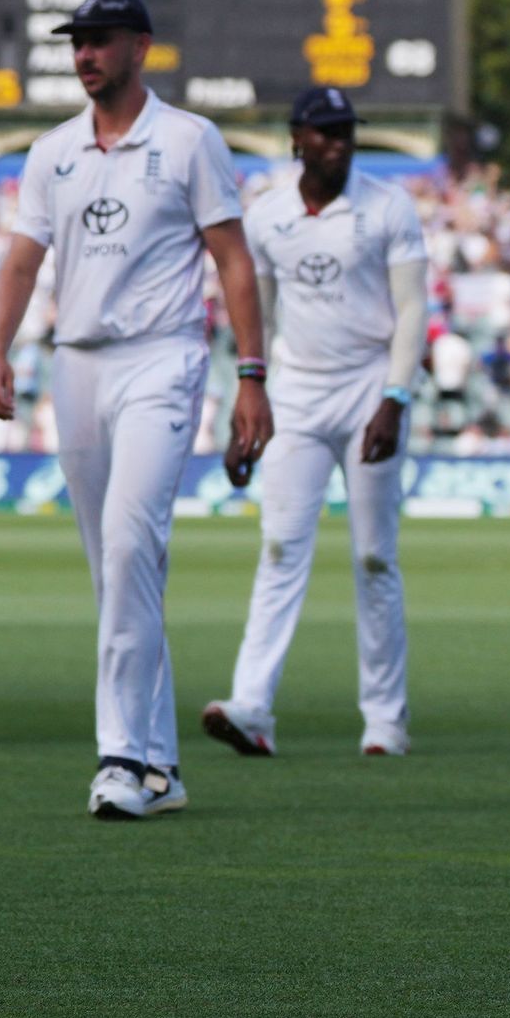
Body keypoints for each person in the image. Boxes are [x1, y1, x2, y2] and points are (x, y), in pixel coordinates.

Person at [0, 0, 272, 819]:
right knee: (120, 573)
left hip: (162, 359)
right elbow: (21, 263)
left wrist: (251, 374)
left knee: (126, 546)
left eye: (100, 40)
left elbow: (234, 262)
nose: (84, 54)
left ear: (140, 47)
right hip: (76, 365)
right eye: (77, 42)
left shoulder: (188, 140)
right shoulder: (51, 151)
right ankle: (165, 768)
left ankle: (120, 758)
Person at [202, 87, 427, 758]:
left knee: (373, 554)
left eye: (346, 132)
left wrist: (396, 396)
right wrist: (246, 402)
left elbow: (411, 309)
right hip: (296, 390)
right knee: (278, 548)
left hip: (367, 385)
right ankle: (251, 706)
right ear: (296, 137)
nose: (338, 143)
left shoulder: (388, 205)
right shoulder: (268, 215)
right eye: (324, 133)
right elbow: (258, 321)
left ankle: (385, 719)